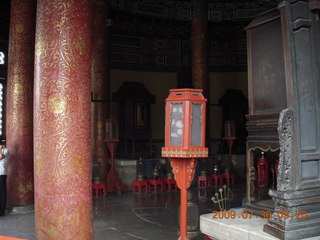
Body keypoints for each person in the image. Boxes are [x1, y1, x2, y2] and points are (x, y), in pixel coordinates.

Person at [0, 143, 9, 216]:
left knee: (2, 192)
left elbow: (1, 157)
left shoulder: (6, 150)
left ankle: (2, 211)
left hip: (2, 174)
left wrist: (0, 149)